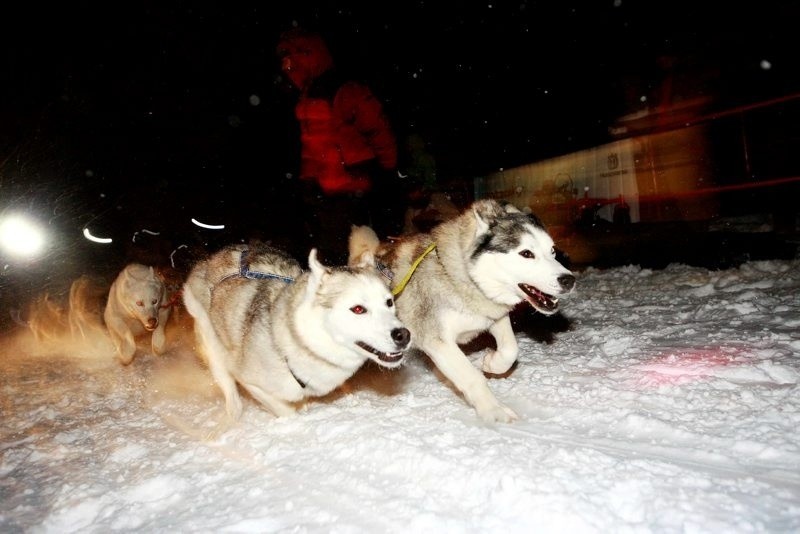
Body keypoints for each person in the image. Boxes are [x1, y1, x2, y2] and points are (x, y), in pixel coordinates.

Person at [276, 27, 403, 264]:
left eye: (291, 63)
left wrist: (387, 168)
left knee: (361, 246)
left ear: (307, 55)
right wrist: (308, 180)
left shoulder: (344, 90)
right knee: (331, 248)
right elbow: (312, 144)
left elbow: (377, 128)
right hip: (325, 189)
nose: (286, 69)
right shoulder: (307, 94)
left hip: (353, 185)